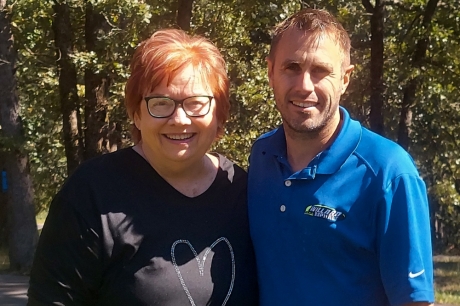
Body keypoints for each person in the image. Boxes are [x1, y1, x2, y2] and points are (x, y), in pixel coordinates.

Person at [28, 29, 258, 306]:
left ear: (219, 117)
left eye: (197, 103)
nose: (179, 119)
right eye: (161, 103)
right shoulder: (92, 196)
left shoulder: (245, 192)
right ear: (136, 114)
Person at [248, 8, 434, 306]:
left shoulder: (389, 172)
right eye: (291, 67)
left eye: (320, 70)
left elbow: (413, 301)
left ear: (345, 79)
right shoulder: (262, 156)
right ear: (270, 71)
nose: (304, 86)